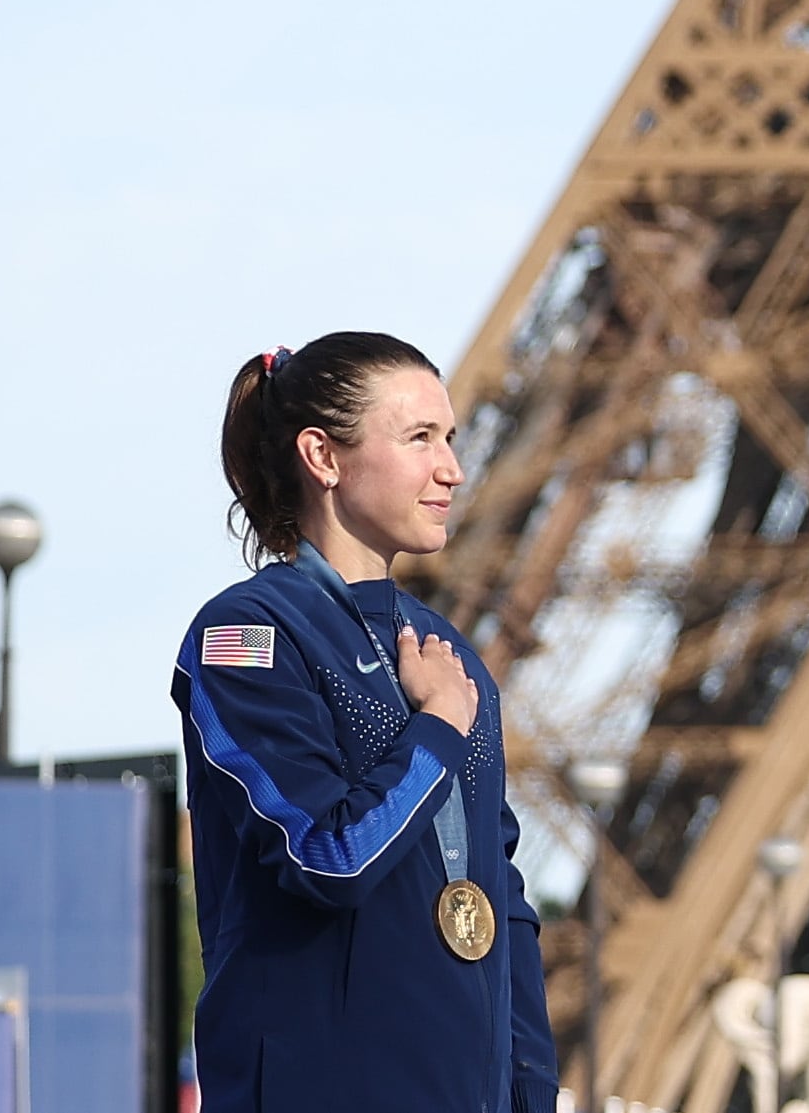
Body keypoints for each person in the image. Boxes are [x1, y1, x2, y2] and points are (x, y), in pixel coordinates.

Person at [173, 333, 555, 1113]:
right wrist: (439, 727)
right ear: (323, 455)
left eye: (450, 438)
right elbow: (327, 856)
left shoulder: (452, 656)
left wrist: (532, 1089)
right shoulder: (248, 637)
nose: (451, 467)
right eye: (420, 438)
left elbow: (499, 893)